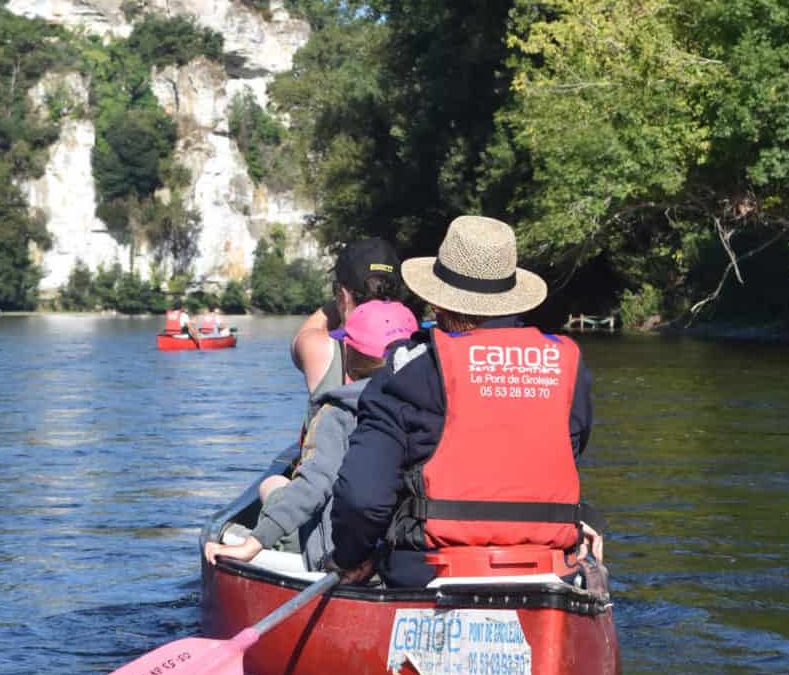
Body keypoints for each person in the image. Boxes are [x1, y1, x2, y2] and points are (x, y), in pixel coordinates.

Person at [329, 215, 596, 588]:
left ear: (438, 302)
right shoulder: (568, 365)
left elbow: (362, 499)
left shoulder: (407, 372)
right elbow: (564, 454)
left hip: (428, 573)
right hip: (551, 574)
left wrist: (349, 558)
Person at [204, 300, 418, 570]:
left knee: (271, 486)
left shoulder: (338, 413)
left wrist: (251, 545)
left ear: (348, 352)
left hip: (337, 551)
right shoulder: (432, 403)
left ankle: (272, 542)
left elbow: (313, 486)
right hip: (407, 547)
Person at [290, 236, 400, 397]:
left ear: (341, 294)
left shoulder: (319, 348)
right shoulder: (423, 348)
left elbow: (300, 339)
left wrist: (341, 301)